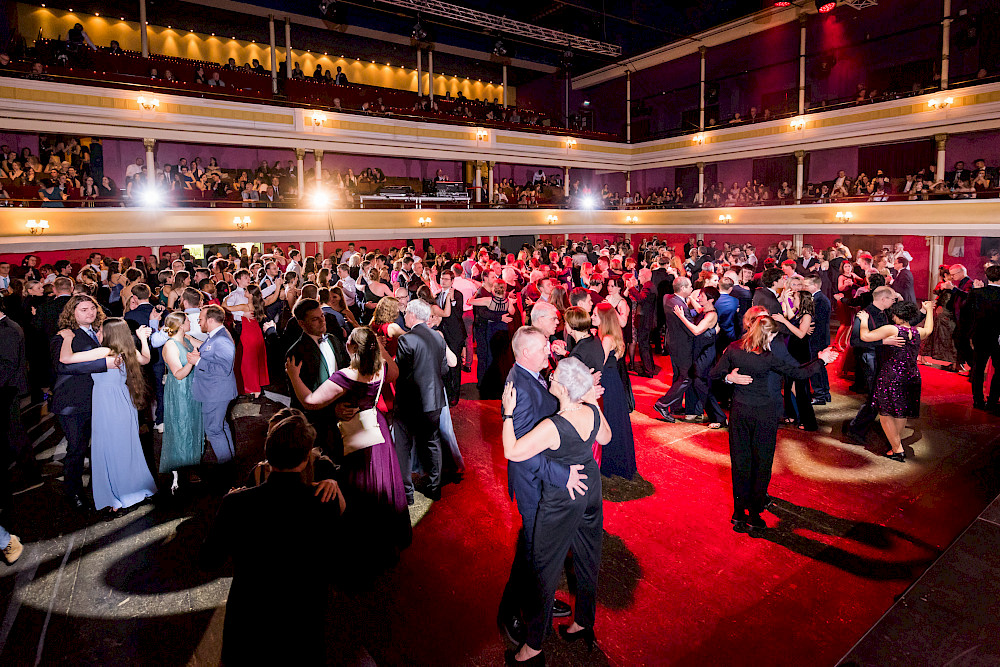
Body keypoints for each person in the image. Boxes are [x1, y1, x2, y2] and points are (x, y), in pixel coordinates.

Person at [200, 414, 344, 665]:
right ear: (306, 456)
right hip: (304, 619)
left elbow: (208, 560)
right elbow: (337, 565)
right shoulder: (323, 500)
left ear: (267, 452)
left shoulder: (235, 503)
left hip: (249, 619)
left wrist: (225, 512)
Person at [501, 356, 612, 665]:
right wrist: (592, 401)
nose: (549, 380)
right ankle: (582, 624)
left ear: (562, 389)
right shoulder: (590, 410)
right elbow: (606, 437)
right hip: (590, 488)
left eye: (554, 378)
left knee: (543, 568)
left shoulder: (554, 425)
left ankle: (533, 646)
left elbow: (513, 451)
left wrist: (508, 414)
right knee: (589, 557)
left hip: (563, 499)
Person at [286, 326, 411, 569]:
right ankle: (387, 537)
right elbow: (394, 372)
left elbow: (310, 402)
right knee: (382, 484)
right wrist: (381, 349)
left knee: (360, 488)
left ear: (351, 347)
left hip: (358, 437)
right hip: (378, 431)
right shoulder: (379, 368)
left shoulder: (346, 375)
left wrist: (293, 376)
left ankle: (364, 545)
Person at [710, 316, 838, 534]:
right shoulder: (768, 358)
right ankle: (754, 514)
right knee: (762, 463)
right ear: (768, 335)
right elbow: (799, 373)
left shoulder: (733, 349)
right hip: (764, 414)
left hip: (740, 412)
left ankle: (739, 513)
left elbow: (714, 375)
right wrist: (822, 360)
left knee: (741, 462)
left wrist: (730, 378)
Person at [497, 326, 580, 646]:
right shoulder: (519, 388)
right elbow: (522, 453)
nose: (549, 348)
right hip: (534, 483)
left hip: (541, 480)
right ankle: (512, 612)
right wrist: (563, 476)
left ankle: (537, 600)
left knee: (537, 548)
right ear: (526, 353)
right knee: (532, 552)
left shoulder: (531, 374)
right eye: (544, 346)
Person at [57, 319, 157, 513]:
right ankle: (132, 489)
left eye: (100, 330)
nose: (98, 333)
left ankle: (116, 495)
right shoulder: (128, 350)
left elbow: (65, 359)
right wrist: (143, 339)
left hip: (108, 406)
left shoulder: (104, 351)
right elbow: (146, 359)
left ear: (109, 333)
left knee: (110, 448)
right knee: (126, 447)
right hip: (125, 404)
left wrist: (67, 338)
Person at [49, 294, 109, 509]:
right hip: (71, 403)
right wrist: (104, 364)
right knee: (76, 449)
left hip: (94, 399)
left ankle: (97, 487)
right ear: (72, 313)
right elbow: (63, 367)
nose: (90, 312)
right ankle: (73, 492)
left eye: (92, 308)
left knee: (96, 447)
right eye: (83, 309)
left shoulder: (96, 332)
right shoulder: (64, 335)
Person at [857, 300, 934, 460]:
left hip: (892, 377)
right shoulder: (917, 332)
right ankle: (895, 443)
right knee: (901, 412)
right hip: (912, 375)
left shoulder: (892, 329)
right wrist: (929, 310)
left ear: (897, 315)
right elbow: (929, 329)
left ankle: (897, 449)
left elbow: (865, 336)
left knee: (885, 414)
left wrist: (864, 320)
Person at [393, 299, 449, 503]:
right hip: (433, 400)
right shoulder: (438, 337)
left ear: (413, 315)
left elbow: (400, 373)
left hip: (410, 402)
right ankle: (435, 489)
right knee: (433, 443)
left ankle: (407, 494)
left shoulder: (406, 339)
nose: (404, 315)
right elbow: (444, 369)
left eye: (406, 312)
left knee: (403, 447)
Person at [285, 298, 350, 459]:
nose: (322, 321)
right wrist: (333, 411)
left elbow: (348, 373)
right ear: (301, 323)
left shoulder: (334, 340)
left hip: (345, 417)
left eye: (322, 316)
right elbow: (301, 398)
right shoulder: (296, 353)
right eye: (315, 319)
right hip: (319, 425)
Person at [159, 311, 205, 493]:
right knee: (182, 425)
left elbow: (205, 346)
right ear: (179, 324)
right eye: (187, 320)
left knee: (193, 424)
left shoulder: (186, 337)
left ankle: (192, 463)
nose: (190, 321)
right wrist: (192, 363)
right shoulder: (170, 346)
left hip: (192, 387)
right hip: (179, 390)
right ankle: (181, 469)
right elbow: (178, 374)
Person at [593, 303, 638, 478]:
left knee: (610, 419)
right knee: (614, 419)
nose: (592, 317)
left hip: (607, 382)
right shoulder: (609, 336)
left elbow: (599, 363)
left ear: (604, 318)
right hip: (613, 381)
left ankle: (611, 463)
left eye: (595, 315)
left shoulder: (607, 339)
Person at [188, 305, 237, 464]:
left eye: (200, 319)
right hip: (216, 391)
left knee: (214, 430)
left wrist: (198, 361)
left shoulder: (221, 339)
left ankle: (226, 469)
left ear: (210, 320)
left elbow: (224, 369)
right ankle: (230, 463)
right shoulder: (216, 335)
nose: (198, 322)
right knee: (220, 426)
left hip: (216, 393)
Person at [674, 286, 727, 428]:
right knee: (700, 384)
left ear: (710, 300)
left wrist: (681, 317)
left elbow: (696, 330)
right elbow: (699, 310)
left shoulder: (711, 315)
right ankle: (717, 416)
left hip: (705, 354)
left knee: (700, 383)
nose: (699, 297)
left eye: (702, 296)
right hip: (702, 351)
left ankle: (719, 418)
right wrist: (691, 299)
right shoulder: (706, 311)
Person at [653, 276, 695, 421]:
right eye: (690, 286)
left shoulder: (669, 299)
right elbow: (691, 330)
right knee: (687, 377)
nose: (692, 289)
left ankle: (675, 405)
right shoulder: (680, 306)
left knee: (678, 376)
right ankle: (663, 404)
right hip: (682, 346)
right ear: (682, 288)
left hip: (673, 344)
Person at [965, 265, 1000, 411]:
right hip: (998, 337)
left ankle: (978, 401)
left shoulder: (977, 293)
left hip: (980, 335)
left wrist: (970, 335)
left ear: (987, 276)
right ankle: (992, 401)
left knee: (978, 369)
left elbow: (968, 315)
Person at [628, 268, 657, 377]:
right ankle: (650, 367)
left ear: (644, 276)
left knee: (643, 346)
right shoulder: (649, 285)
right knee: (646, 345)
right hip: (647, 320)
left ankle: (648, 371)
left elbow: (641, 298)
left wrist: (631, 288)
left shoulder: (648, 286)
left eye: (639, 276)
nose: (638, 278)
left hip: (645, 321)